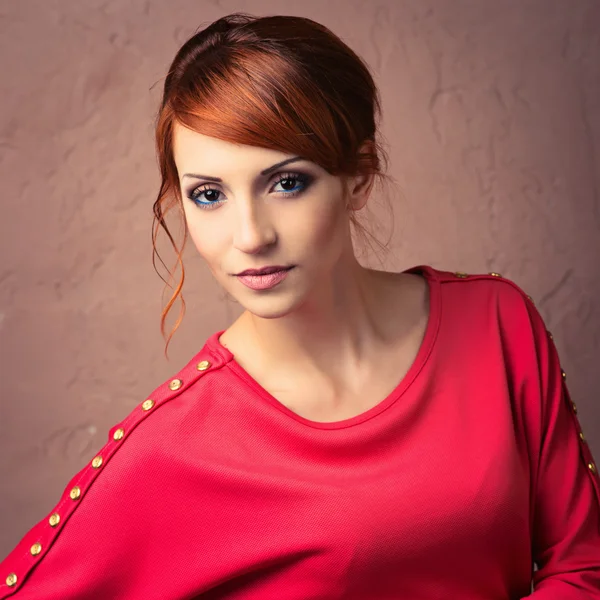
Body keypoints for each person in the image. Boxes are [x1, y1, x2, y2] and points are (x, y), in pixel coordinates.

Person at [1, 11, 599, 600]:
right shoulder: (175, 443)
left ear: (358, 177)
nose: (250, 235)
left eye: (286, 183)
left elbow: (584, 563)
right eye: (208, 195)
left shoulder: (497, 322)